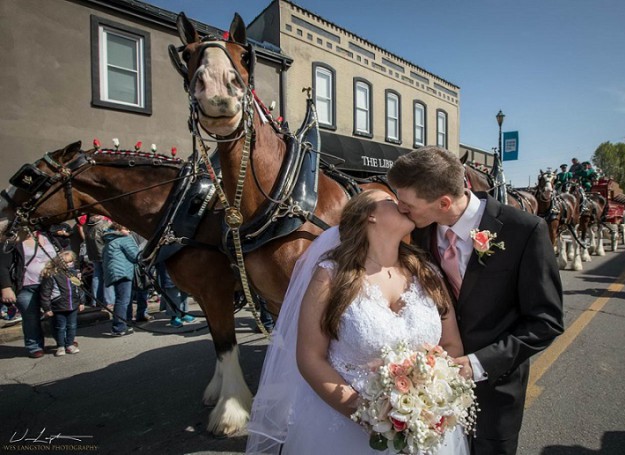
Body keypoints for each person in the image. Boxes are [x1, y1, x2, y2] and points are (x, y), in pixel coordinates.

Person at [247, 189, 469, 455]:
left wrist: (430, 400)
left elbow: (451, 343)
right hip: (344, 430)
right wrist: (371, 415)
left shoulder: (428, 273)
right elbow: (310, 357)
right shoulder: (330, 277)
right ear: (369, 216)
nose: (401, 204)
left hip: (425, 426)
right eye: (390, 200)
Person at [387, 146, 564, 455]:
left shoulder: (526, 231)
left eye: (407, 203)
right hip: (429, 391)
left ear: (443, 202)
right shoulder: (420, 232)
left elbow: (545, 322)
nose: (400, 208)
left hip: (496, 392)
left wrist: (478, 364)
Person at [0, 229, 58, 358]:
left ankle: (63, 340)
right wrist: (6, 287)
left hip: (51, 284)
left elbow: (60, 258)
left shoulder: (47, 236)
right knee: (31, 318)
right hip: (27, 286)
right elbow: (2, 266)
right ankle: (34, 346)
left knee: (58, 312)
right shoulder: (11, 241)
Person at [40, 251, 85, 357]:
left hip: (73, 305)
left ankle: (69, 344)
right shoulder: (52, 275)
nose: (68, 264)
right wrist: (47, 308)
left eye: (70, 262)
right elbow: (46, 292)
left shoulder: (73, 274)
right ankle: (60, 345)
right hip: (59, 306)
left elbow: (79, 289)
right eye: (65, 262)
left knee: (72, 326)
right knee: (60, 327)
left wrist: (82, 302)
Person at [102, 223, 138, 336]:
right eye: (126, 229)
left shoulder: (109, 240)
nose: (129, 231)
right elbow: (135, 255)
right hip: (124, 272)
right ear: (119, 229)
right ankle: (119, 327)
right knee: (123, 300)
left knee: (122, 299)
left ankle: (126, 323)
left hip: (115, 273)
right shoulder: (124, 239)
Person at [83, 215, 115, 308]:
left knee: (96, 277)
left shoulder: (88, 227)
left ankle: (95, 300)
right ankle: (109, 300)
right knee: (107, 277)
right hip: (104, 254)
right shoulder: (104, 226)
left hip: (94, 255)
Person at [156, 261, 195, 328]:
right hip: (168, 268)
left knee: (184, 292)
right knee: (173, 295)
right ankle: (174, 317)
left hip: (182, 268)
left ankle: (183, 314)